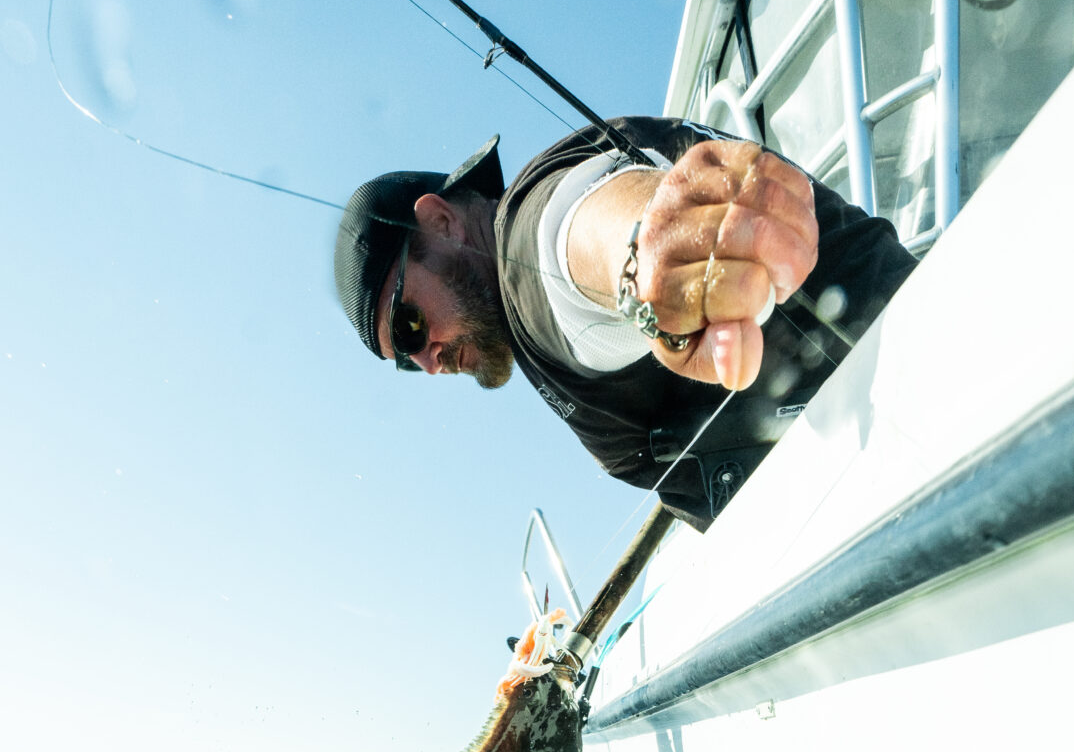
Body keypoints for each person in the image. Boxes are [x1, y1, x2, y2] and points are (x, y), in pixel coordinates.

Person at [334, 119, 915, 531]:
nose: (428, 362)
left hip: (914, 417)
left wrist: (646, 254)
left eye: (408, 326)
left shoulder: (525, 250)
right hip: (874, 477)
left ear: (440, 222)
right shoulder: (537, 337)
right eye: (405, 362)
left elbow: (569, 234)